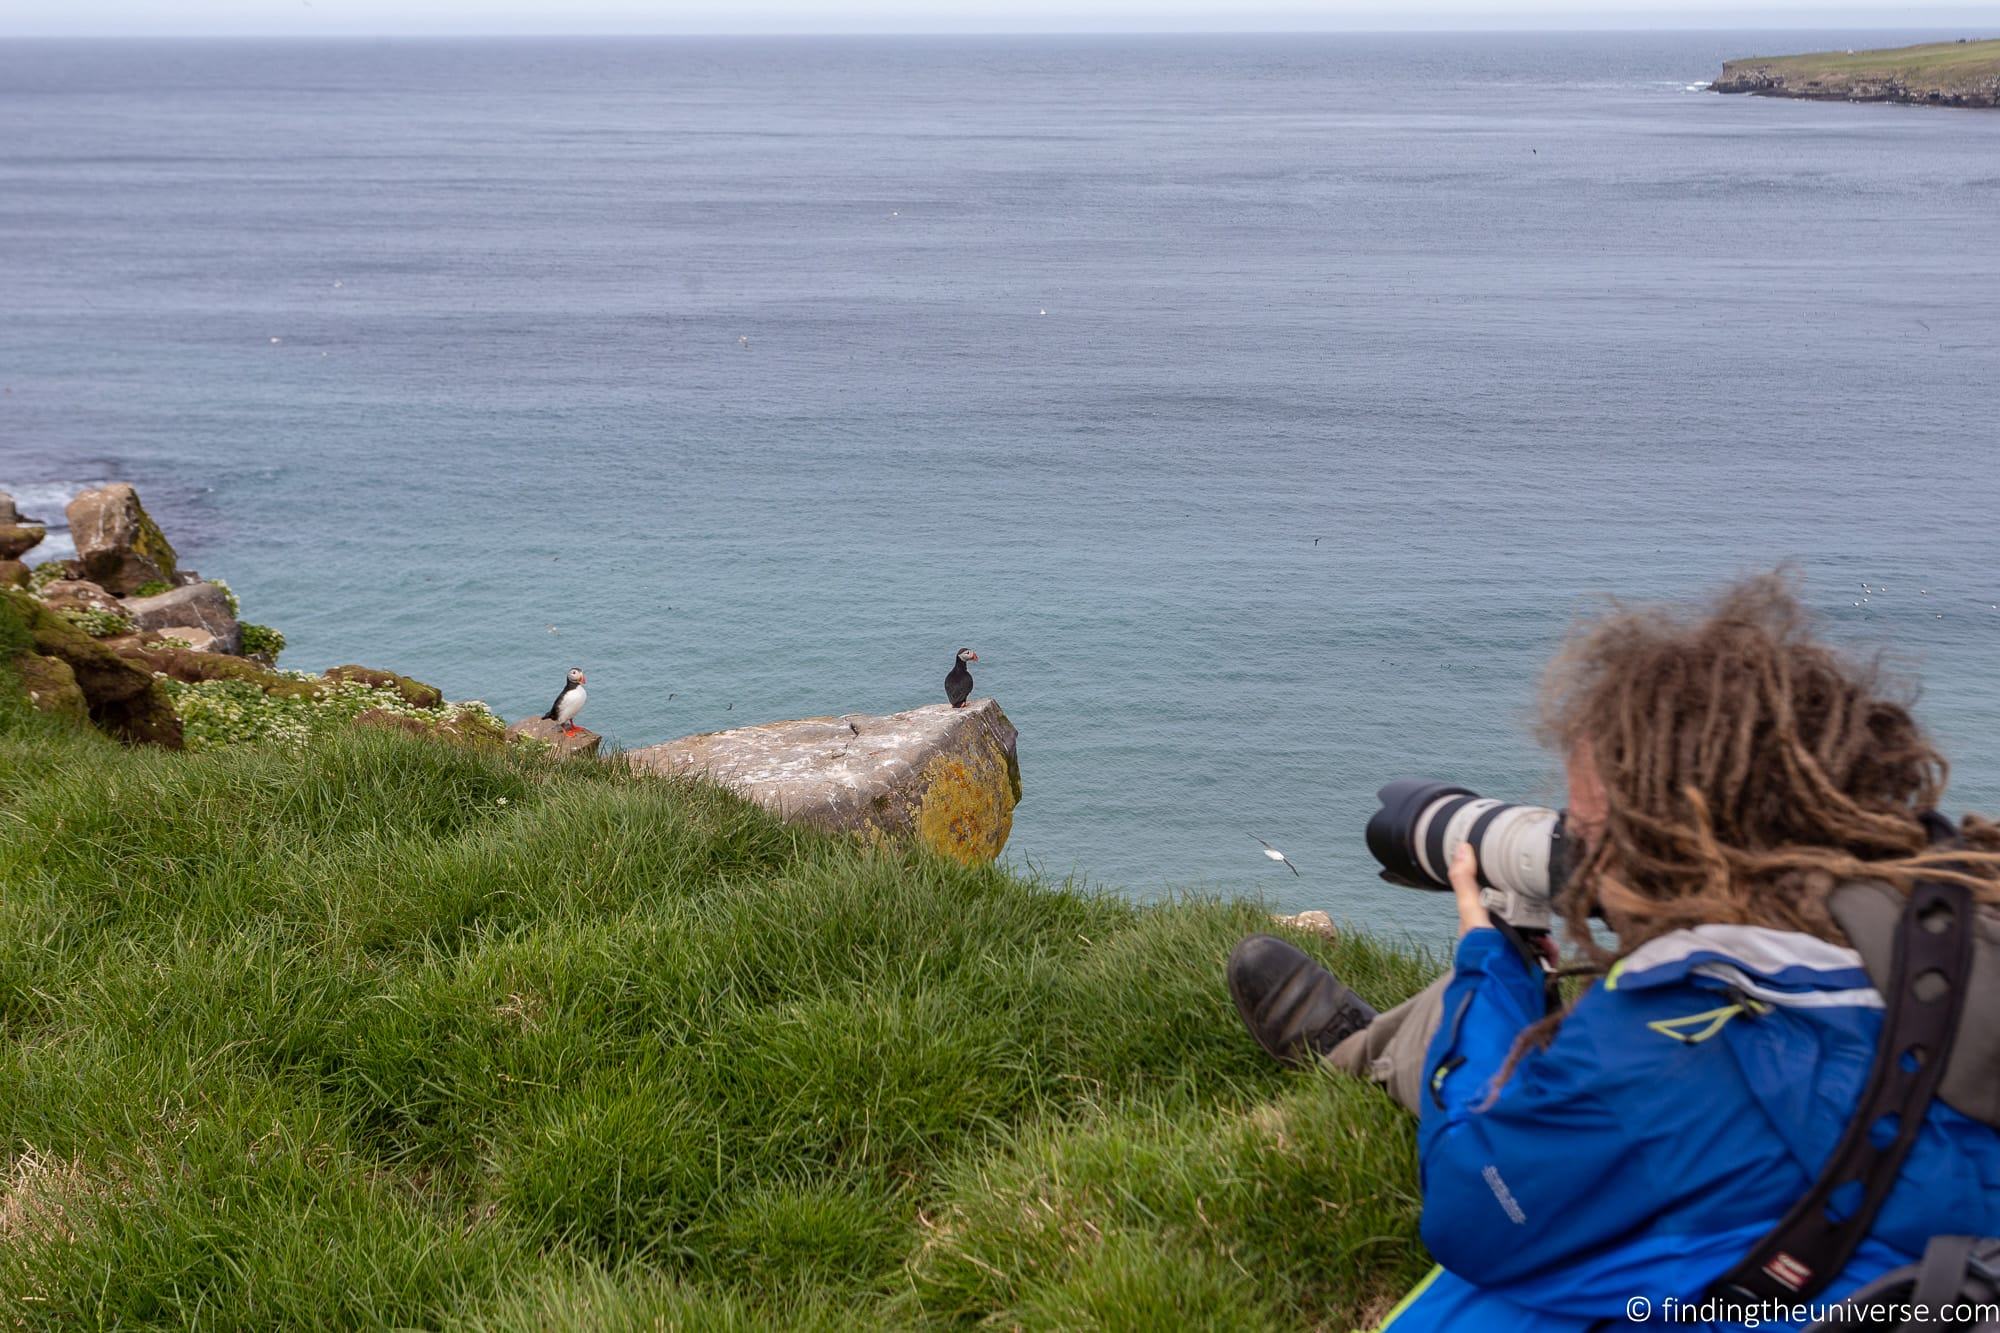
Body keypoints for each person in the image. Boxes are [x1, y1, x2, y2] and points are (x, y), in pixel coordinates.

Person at [1226, 575, 2000, 1332]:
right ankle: (1365, 1047)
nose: (1576, 852)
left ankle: (1358, 1053)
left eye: (1593, 829)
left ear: (1680, 840)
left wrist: (1491, 960)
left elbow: (1479, 1203)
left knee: (1482, 1052)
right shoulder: (1956, 907)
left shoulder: (1676, 1045)